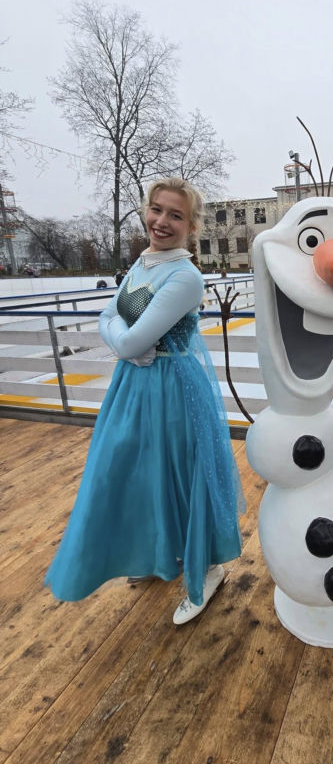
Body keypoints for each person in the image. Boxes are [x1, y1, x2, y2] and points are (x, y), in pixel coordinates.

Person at [46, 177, 245, 624]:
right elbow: (109, 320)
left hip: (173, 389)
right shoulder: (143, 264)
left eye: (175, 215)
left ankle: (204, 568)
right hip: (132, 388)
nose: (162, 221)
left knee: (181, 474)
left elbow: (130, 338)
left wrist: (123, 338)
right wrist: (122, 337)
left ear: (191, 225)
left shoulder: (186, 276)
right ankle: (158, 553)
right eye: (157, 209)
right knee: (136, 472)